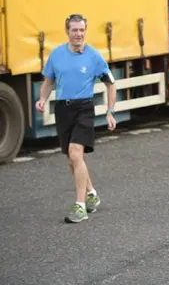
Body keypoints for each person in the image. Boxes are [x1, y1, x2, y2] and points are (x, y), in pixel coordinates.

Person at [36, 14, 118, 223]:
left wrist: (110, 111)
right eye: (74, 30)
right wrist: (42, 99)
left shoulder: (94, 57)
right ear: (67, 32)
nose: (78, 34)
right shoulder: (56, 55)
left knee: (75, 152)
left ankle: (80, 206)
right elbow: (48, 81)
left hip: (84, 108)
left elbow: (110, 83)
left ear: (85, 32)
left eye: (82, 30)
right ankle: (91, 194)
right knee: (73, 160)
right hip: (63, 109)